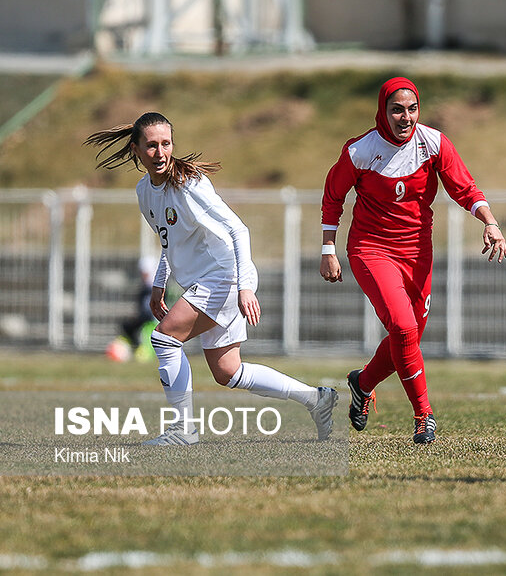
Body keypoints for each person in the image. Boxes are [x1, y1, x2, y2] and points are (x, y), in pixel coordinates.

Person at [85, 112, 337, 445]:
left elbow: (238, 229)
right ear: (136, 149)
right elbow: (169, 242)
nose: (160, 152)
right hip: (209, 281)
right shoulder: (144, 191)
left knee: (164, 339)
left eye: (166, 144)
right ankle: (316, 399)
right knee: (228, 371)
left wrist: (244, 288)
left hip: (225, 277)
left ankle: (183, 430)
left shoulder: (189, 184)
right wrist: (159, 285)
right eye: (151, 145)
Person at [321, 76, 506, 444]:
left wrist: (490, 222)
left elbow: (465, 188)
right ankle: (424, 415)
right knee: (404, 329)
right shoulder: (360, 150)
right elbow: (333, 196)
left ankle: (362, 383)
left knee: (407, 338)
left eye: (412, 109)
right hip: (371, 249)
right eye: (396, 110)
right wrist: (329, 250)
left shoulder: (433, 143)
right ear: (382, 111)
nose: (405, 117)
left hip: (418, 253)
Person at [120, 256, 157, 362]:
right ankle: (133, 347)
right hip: (145, 318)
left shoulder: (157, 289)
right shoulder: (144, 290)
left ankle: (144, 349)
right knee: (127, 326)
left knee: (145, 329)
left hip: (153, 321)